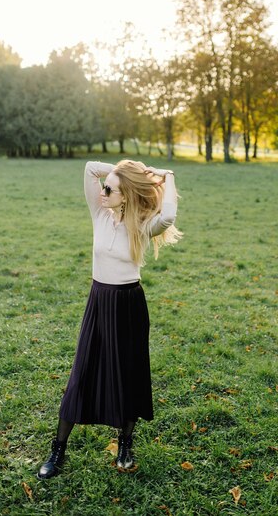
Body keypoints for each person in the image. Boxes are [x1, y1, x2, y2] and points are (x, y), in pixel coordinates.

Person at [37, 159, 182, 479]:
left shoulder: (142, 225)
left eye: (110, 189)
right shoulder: (99, 214)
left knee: (129, 376)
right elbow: (90, 167)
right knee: (81, 374)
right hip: (99, 301)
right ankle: (58, 450)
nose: (103, 191)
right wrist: (127, 169)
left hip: (129, 304)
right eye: (104, 187)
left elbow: (168, 215)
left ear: (126, 196)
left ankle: (125, 443)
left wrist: (166, 176)